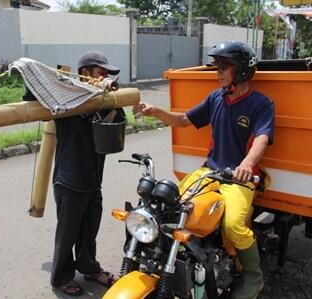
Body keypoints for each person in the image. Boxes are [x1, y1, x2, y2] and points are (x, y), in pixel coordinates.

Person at [134, 41, 274, 299]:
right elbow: (183, 120)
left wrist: (245, 164)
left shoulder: (261, 104)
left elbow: (262, 138)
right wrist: (155, 111)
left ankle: (254, 278)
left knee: (233, 226)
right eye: (216, 67)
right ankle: (174, 261)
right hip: (210, 171)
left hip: (238, 180)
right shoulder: (216, 98)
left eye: (223, 67)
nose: (217, 72)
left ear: (242, 70)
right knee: (172, 207)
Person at [51, 50, 122, 296]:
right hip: (69, 180)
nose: (105, 77)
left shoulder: (102, 101)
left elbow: (119, 125)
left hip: (93, 179)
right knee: (67, 234)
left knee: (89, 231)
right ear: (85, 73)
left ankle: (89, 268)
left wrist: (113, 100)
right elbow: (30, 94)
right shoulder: (65, 98)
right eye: (101, 73)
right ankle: (61, 277)